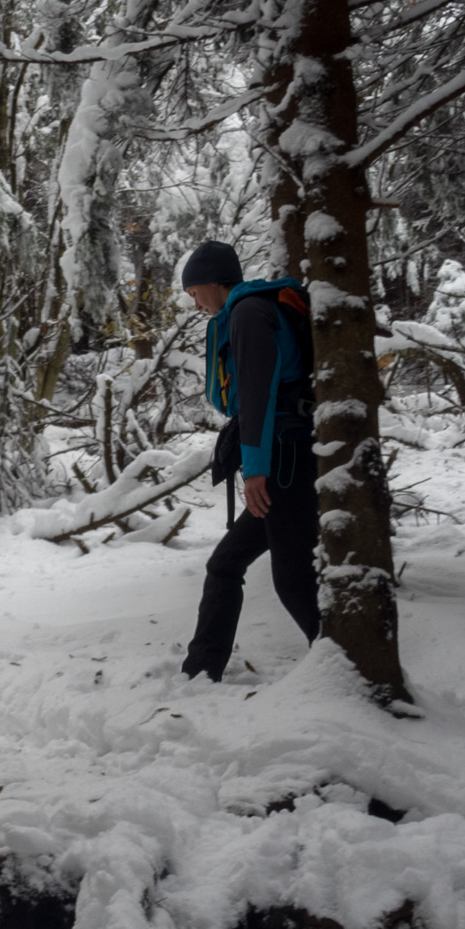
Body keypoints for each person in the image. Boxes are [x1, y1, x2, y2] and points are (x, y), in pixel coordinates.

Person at [177, 240, 322, 681]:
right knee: (226, 564)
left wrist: (256, 469)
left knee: (293, 576)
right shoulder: (249, 311)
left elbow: (259, 394)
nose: (193, 301)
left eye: (194, 291)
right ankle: (201, 669)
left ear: (214, 282)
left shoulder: (248, 314)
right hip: (284, 450)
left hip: (283, 456)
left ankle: (344, 663)